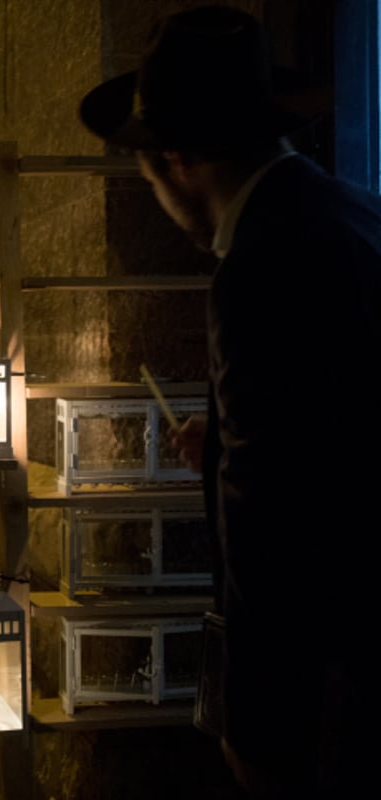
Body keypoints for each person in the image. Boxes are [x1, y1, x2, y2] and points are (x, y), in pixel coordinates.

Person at [79, 7, 379, 798]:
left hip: (338, 666)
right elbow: (331, 430)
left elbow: (272, 517)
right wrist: (225, 444)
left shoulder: (260, 264)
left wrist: (257, 721)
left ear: (174, 160)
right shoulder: (353, 213)